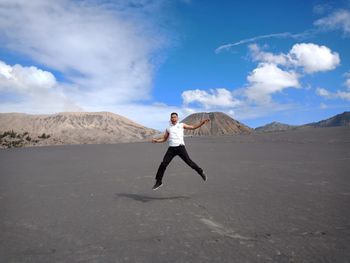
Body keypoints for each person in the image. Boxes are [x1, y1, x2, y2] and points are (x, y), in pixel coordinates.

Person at [151, 112, 210, 190]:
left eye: (175, 117)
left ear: (177, 118)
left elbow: (193, 127)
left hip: (180, 148)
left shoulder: (182, 125)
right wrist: (157, 141)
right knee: (163, 164)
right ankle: (158, 182)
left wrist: (201, 123)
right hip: (171, 149)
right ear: (170, 119)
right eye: (172, 117)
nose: (173, 118)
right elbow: (164, 139)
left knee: (190, 162)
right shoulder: (168, 128)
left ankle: (201, 172)